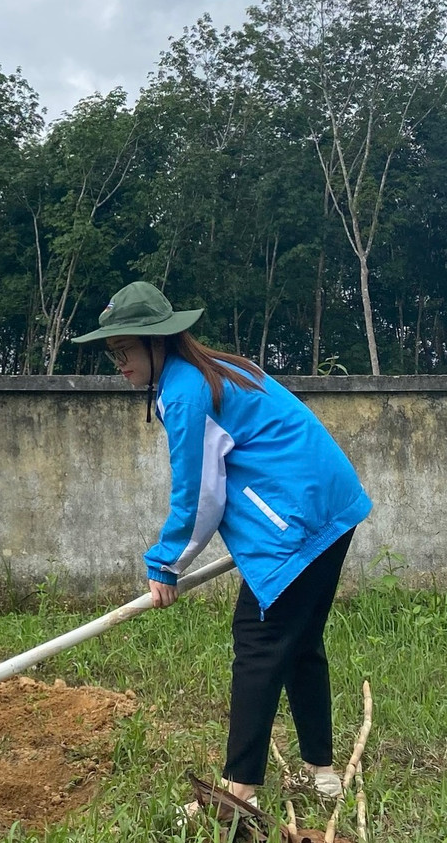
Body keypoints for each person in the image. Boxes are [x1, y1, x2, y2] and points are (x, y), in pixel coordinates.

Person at [71, 281, 372, 813]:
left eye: (125, 351)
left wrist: (165, 562)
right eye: (112, 353)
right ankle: (321, 771)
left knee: (258, 641)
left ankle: (239, 795)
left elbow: (201, 496)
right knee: (297, 641)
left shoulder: (188, 393)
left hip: (300, 518)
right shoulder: (215, 369)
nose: (118, 363)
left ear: (158, 342)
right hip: (326, 504)